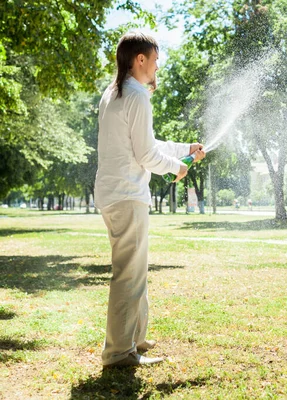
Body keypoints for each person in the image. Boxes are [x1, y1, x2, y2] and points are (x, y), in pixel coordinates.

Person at [94, 32, 205, 368]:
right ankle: (119, 353)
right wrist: (177, 169)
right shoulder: (137, 95)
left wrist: (184, 150)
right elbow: (146, 154)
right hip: (128, 196)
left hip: (113, 194)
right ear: (139, 59)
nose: (157, 66)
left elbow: (146, 142)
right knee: (129, 274)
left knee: (134, 270)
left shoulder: (114, 93)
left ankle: (136, 338)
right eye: (155, 59)